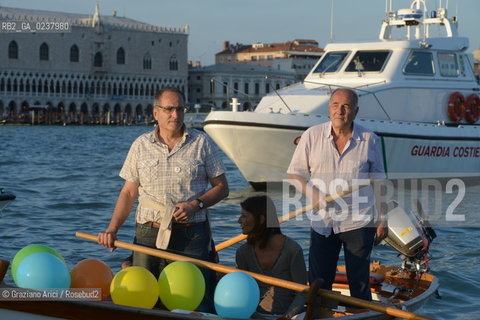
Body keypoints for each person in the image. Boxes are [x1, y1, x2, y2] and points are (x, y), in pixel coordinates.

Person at [98, 87, 229, 312]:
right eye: (169, 109)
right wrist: (112, 228)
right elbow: (129, 192)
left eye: (179, 109)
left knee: (194, 300)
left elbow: (222, 188)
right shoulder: (141, 145)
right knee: (143, 300)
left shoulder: (201, 143)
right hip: (149, 232)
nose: (175, 115)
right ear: (156, 112)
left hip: (192, 234)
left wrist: (195, 204)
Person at [286, 88, 387, 301]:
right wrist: (313, 194)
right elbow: (294, 175)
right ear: (329, 108)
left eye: (346, 106)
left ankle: (361, 316)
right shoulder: (312, 136)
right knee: (318, 284)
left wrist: (383, 218)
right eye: (335, 105)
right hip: (323, 223)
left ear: (355, 111)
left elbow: (380, 182)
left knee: (359, 285)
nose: (340, 111)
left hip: (359, 221)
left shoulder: (370, 139)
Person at [236, 195, 306, 319]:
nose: (239, 220)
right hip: (252, 316)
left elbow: (301, 293)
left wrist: (286, 317)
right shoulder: (243, 253)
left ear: (261, 219)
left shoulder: (292, 250)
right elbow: (242, 291)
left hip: (287, 316)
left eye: (244, 216)